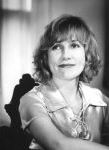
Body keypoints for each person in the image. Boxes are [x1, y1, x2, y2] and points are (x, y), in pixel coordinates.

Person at [18, 14, 109, 150]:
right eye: (56, 47)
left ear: (87, 53)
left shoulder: (99, 99)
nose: (66, 55)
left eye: (74, 45)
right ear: (45, 57)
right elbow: (59, 145)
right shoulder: (31, 100)